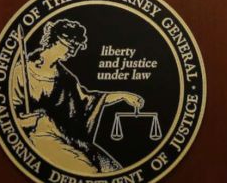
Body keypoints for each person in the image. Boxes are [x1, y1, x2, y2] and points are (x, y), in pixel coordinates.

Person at [10, 19, 143, 174]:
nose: (73, 52)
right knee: (89, 172)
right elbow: (10, 117)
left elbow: (89, 101)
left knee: (114, 170)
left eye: (76, 48)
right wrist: (31, 120)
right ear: (56, 40)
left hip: (69, 137)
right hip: (40, 138)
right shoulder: (22, 72)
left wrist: (121, 95)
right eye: (70, 46)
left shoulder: (66, 78)